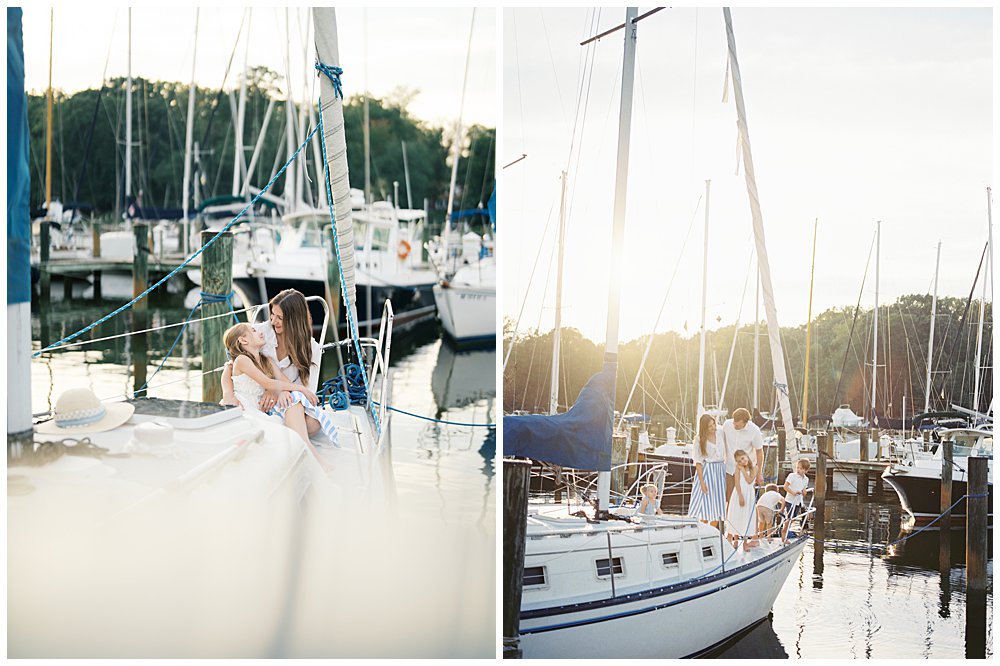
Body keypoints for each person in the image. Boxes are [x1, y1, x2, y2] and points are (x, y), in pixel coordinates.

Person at [224, 322, 338, 449]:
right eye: (254, 331)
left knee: (311, 421)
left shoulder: (266, 360)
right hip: (246, 406)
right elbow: (267, 383)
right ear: (243, 340)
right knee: (294, 403)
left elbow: (285, 382)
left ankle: (303, 440)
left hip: (261, 407)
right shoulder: (242, 360)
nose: (260, 332)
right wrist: (301, 388)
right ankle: (307, 447)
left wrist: (285, 391)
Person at [221, 289, 322, 412]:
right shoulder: (259, 333)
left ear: (294, 320)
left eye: (279, 317)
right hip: (258, 403)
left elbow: (308, 390)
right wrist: (228, 394)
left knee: (313, 424)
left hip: (290, 400)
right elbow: (230, 365)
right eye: (272, 314)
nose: (273, 321)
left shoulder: (312, 348)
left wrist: (277, 391)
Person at [687, 413, 726, 528]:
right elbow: (698, 462)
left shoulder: (720, 433)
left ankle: (713, 531)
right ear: (704, 427)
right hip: (707, 471)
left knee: (718, 504)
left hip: (720, 470)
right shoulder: (699, 439)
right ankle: (701, 530)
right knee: (705, 504)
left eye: (713, 424)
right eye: (710, 426)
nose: (713, 427)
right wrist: (702, 482)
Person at [721, 407, 765, 507]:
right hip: (729, 468)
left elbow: (759, 451)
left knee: (746, 499)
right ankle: (729, 521)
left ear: (745, 422)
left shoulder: (754, 430)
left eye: (737, 423)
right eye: (734, 422)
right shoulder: (727, 425)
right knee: (730, 499)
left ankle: (744, 522)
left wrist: (759, 473)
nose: (734, 424)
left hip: (746, 471)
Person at [725, 449, 757, 549]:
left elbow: (749, 480)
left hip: (749, 494)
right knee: (736, 515)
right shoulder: (737, 468)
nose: (742, 462)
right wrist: (740, 496)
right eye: (739, 461)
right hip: (739, 493)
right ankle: (735, 540)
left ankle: (745, 543)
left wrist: (743, 470)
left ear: (747, 456)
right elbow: (737, 483)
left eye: (743, 458)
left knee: (746, 517)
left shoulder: (754, 468)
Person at [781, 458, 811, 543]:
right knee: (789, 518)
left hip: (798, 501)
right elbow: (785, 487)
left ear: (805, 470)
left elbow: (804, 490)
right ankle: (784, 534)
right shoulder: (792, 476)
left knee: (793, 518)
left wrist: (804, 492)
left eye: (801, 468)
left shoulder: (806, 479)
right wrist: (793, 492)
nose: (798, 470)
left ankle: (785, 530)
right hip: (790, 500)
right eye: (797, 467)